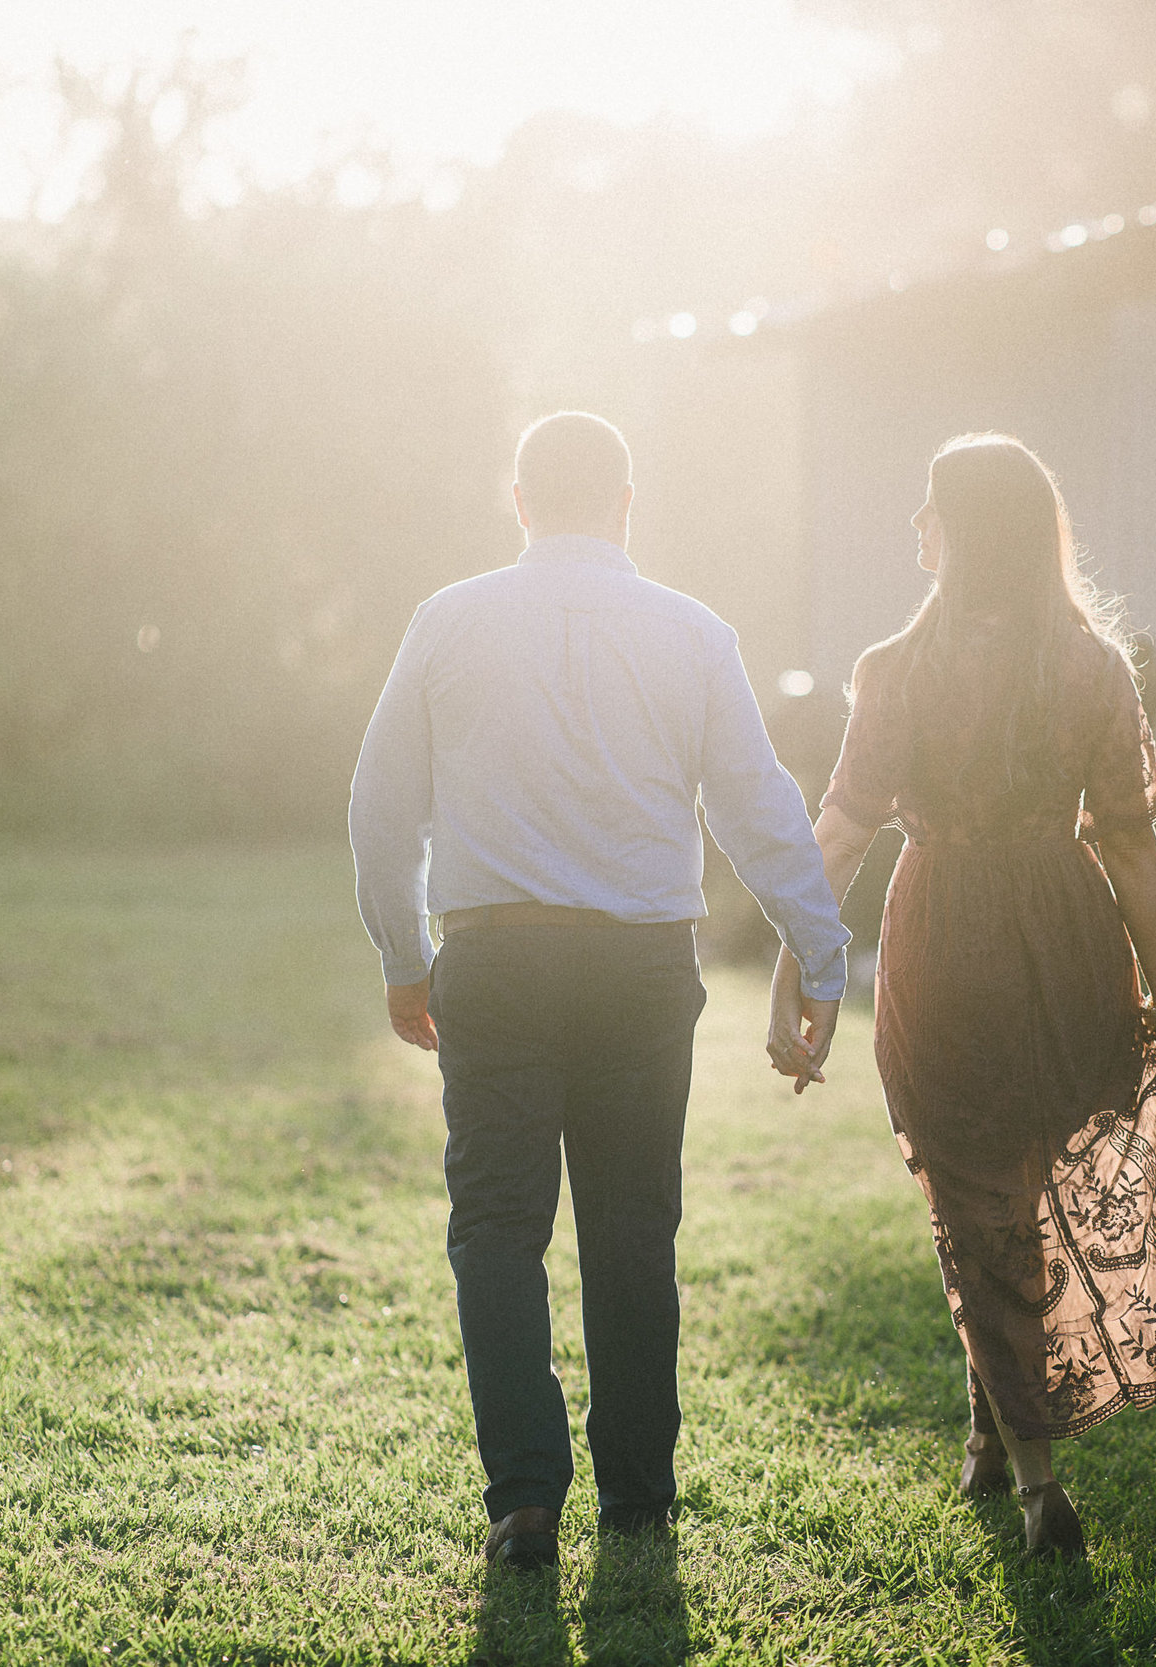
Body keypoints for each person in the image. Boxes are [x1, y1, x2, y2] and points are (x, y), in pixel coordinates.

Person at [348, 411, 850, 1574]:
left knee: (496, 1228)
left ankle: (523, 1498)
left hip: (494, 957)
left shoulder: (449, 618)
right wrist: (818, 956)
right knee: (634, 1230)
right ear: (628, 503)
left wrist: (400, 957)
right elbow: (759, 807)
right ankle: (636, 1492)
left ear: (518, 501)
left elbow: (380, 806)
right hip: (637, 967)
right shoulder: (694, 632)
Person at [767, 433, 1156, 1561]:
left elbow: (835, 834)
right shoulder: (1091, 668)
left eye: (927, 506)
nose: (912, 529)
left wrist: (796, 965)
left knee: (971, 1183)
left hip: (941, 933)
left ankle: (1039, 1485)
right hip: (1067, 929)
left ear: (960, 530)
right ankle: (993, 1430)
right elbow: (1129, 845)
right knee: (1022, 1178)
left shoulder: (896, 669)